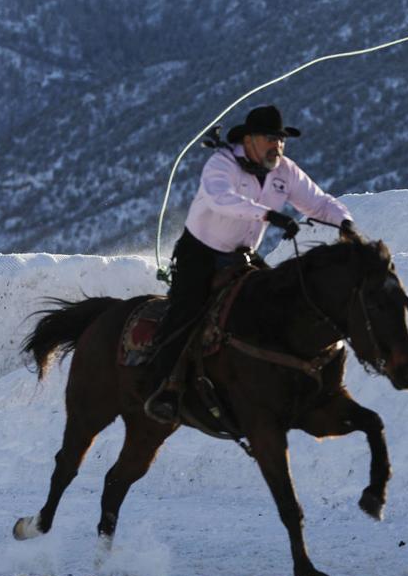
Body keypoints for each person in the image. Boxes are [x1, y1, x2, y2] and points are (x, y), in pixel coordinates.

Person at [144, 104, 354, 423]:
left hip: (242, 255)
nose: (278, 146)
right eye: (271, 138)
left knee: (278, 304)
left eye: (281, 140)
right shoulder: (222, 163)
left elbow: (318, 202)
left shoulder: (285, 171)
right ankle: (165, 387)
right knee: (186, 312)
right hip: (199, 252)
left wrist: (344, 222)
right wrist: (267, 213)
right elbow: (220, 199)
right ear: (250, 139)